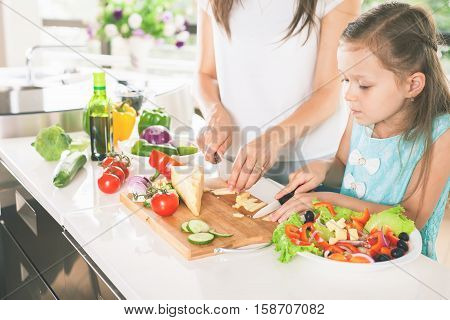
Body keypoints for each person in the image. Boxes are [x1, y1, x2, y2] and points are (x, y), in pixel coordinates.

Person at [272, 2, 450, 260]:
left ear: (412, 84)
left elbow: (410, 218)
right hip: (344, 250)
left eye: (364, 85)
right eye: (346, 80)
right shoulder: (363, 115)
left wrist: (328, 201)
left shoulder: (440, 134)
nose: (349, 94)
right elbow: (342, 165)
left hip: (398, 265)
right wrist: (322, 168)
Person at [194, 0, 360, 189]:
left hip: (307, 166)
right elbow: (204, 74)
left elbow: (328, 91)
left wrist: (273, 138)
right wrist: (213, 113)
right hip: (234, 160)